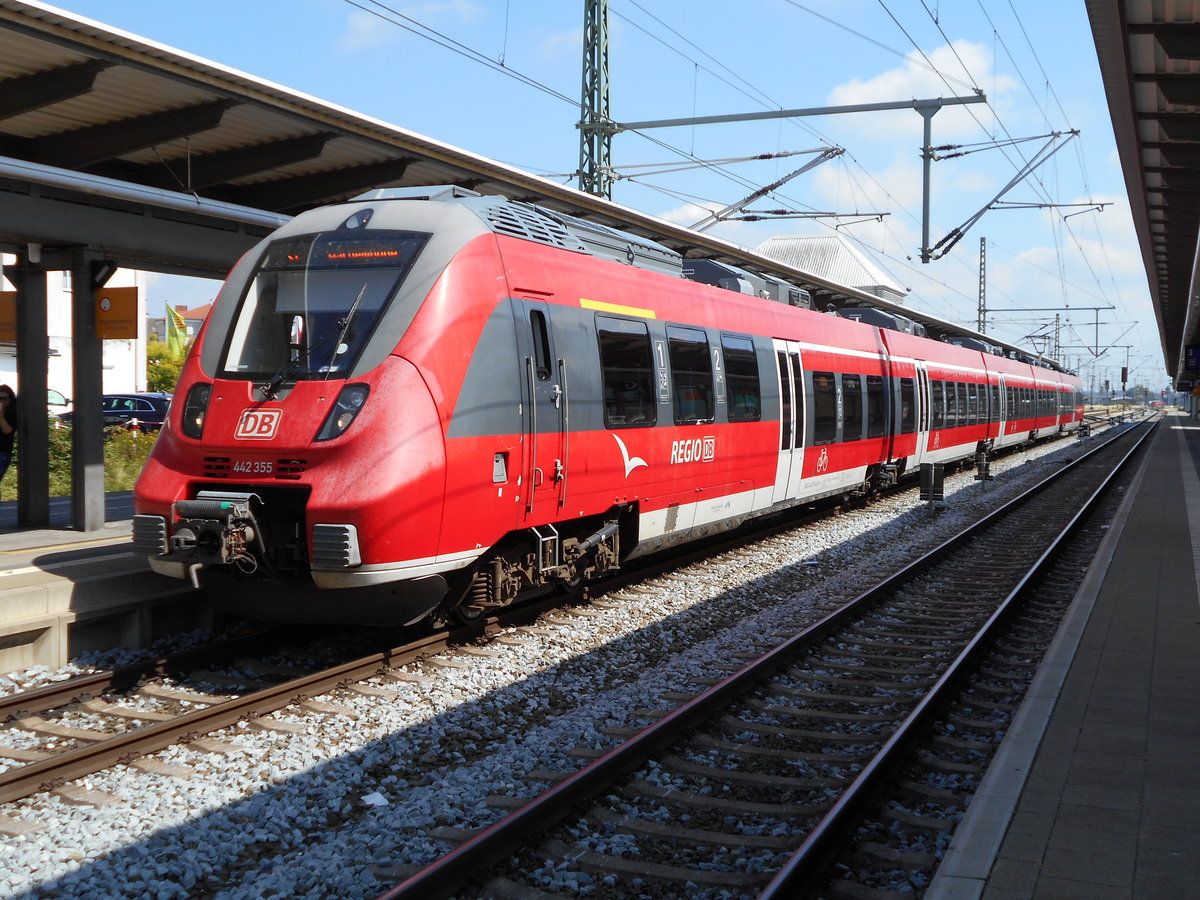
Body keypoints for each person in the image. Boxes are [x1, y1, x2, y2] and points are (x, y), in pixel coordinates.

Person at [0, 384, 16, 484]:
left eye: (4, 398)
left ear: (10, 399)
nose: (1, 401)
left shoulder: (13, 412)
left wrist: (1, 418)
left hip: (2, 452)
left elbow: (8, 432)